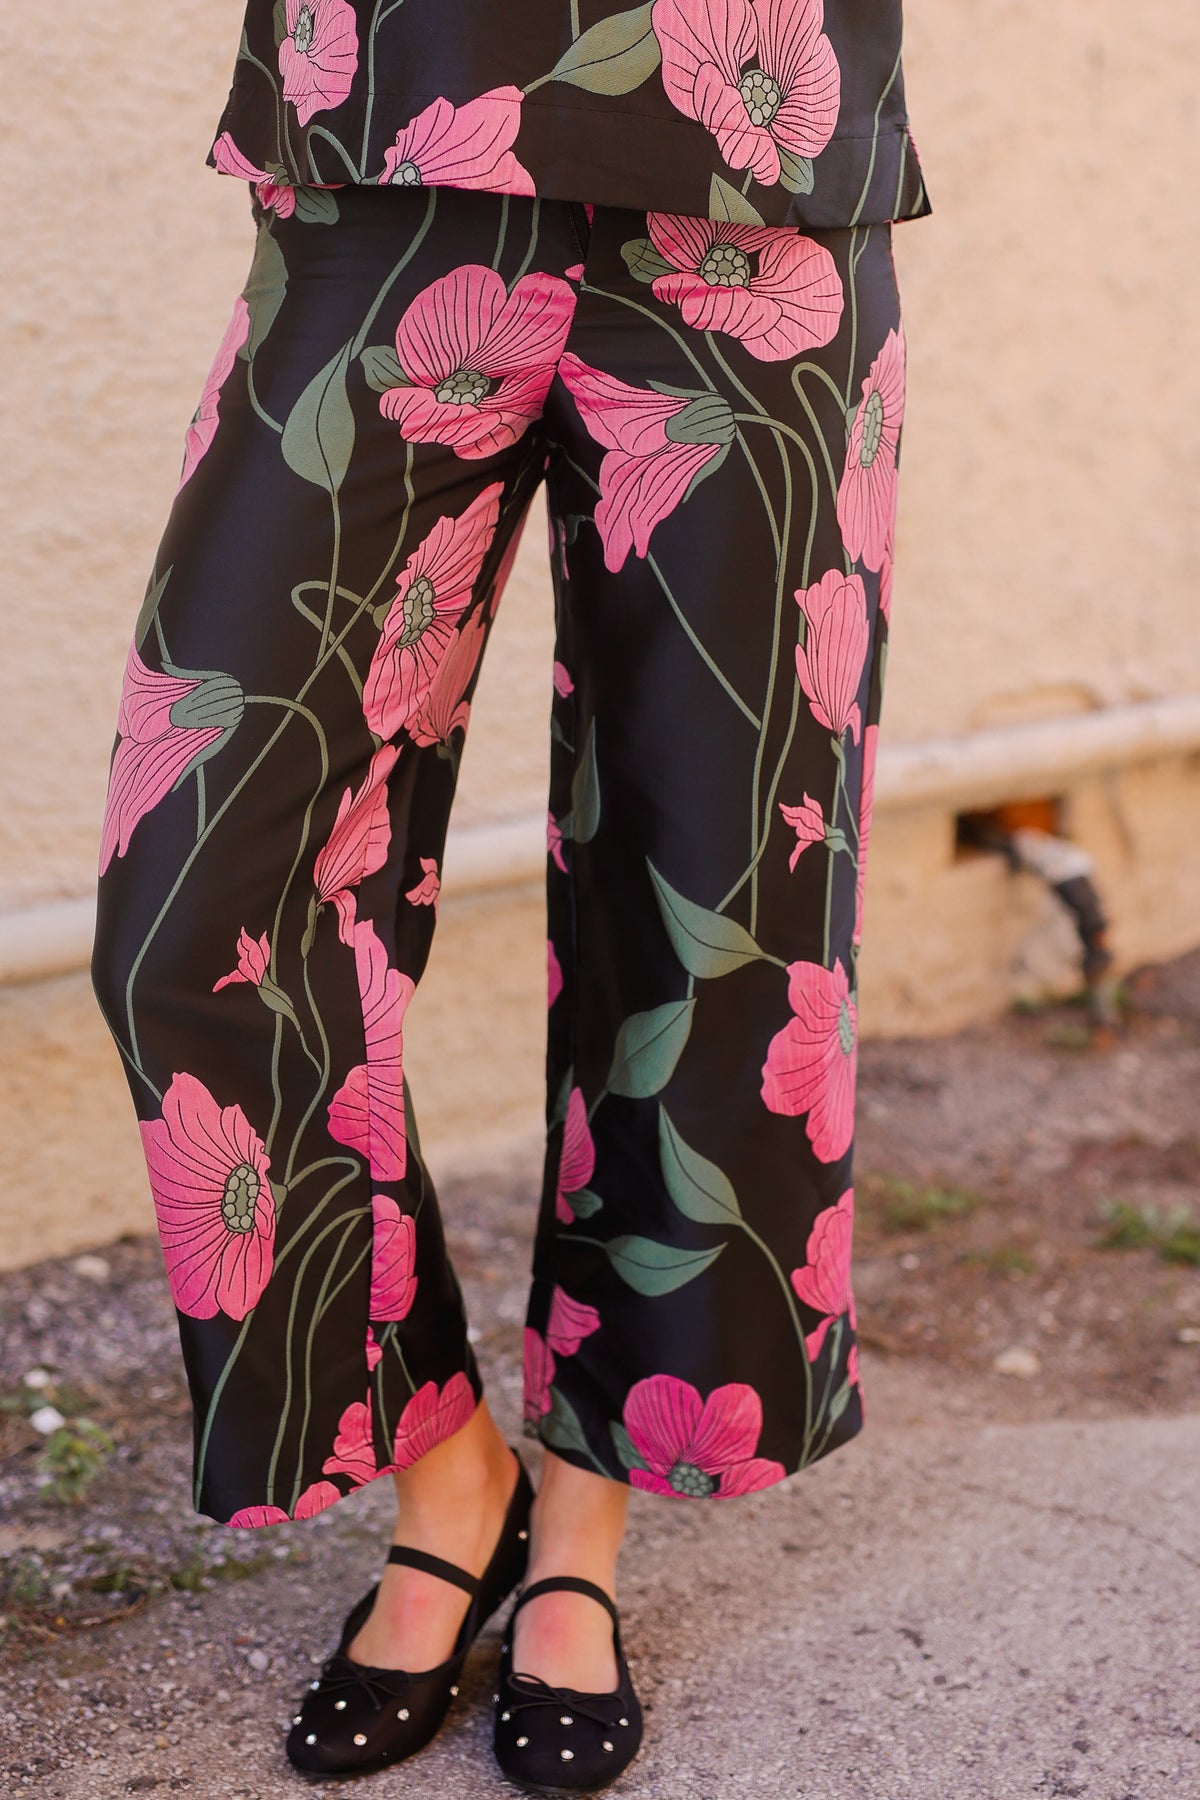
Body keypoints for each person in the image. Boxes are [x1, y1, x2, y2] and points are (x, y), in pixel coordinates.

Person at [89, 1, 932, 1789]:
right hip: (388, 142)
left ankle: (582, 1528)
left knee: (720, 903)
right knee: (197, 900)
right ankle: (442, 1460)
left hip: (752, 172)